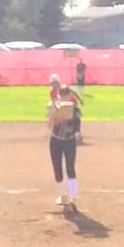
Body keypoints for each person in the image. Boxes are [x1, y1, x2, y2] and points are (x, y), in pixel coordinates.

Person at [47, 85, 83, 214]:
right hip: (55, 141)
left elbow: (77, 123)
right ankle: (63, 195)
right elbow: (49, 124)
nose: (63, 97)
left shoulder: (75, 109)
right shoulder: (54, 107)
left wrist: (77, 132)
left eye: (65, 94)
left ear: (69, 96)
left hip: (69, 141)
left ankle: (73, 196)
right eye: (61, 95)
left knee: (70, 168)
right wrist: (53, 115)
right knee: (58, 169)